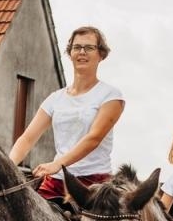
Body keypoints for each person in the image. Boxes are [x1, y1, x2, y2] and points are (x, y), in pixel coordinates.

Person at [9, 26, 125, 202]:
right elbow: (27, 138)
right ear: (70, 53)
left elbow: (94, 138)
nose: (82, 52)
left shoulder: (111, 96)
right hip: (56, 181)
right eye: (76, 47)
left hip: (94, 184)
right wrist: (7, 166)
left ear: (101, 55)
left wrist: (57, 164)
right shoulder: (55, 99)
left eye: (89, 47)